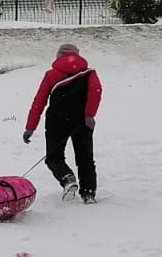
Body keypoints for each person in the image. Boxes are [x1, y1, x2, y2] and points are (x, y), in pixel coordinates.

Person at [22, 42, 102, 204]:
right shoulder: (89, 73)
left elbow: (39, 101)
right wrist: (89, 115)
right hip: (82, 122)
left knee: (53, 157)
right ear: (78, 55)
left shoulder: (51, 74)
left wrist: (30, 128)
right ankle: (88, 193)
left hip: (56, 121)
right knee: (85, 158)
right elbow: (96, 92)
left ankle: (67, 179)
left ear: (58, 56)